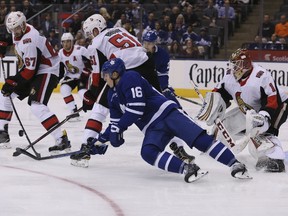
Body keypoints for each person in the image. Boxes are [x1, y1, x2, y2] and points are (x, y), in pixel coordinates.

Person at [77, 58, 251, 182]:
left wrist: (118, 128)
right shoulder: (111, 95)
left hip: (167, 114)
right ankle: (187, 168)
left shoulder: (130, 78)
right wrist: (101, 141)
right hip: (153, 128)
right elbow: (114, 124)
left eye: (106, 75)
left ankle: (235, 164)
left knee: (200, 140)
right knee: (148, 152)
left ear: (115, 74)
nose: (104, 78)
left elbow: (136, 108)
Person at [70, 13, 161, 161]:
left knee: (100, 108)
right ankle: (178, 144)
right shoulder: (120, 30)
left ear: (95, 30)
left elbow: (98, 75)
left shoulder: (96, 44)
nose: (90, 37)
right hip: (147, 65)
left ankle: (85, 147)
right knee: (160, 107)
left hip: (127, 71)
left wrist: (91, 96)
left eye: (89, 34)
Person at [197, 48, 287, 172]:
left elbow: (272, 100)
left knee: (261, 131)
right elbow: (219, 95)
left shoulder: (260, 75)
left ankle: (274, 158)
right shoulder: (229, 76)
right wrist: (211, 106)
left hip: (278, 106)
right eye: (233, 65)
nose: (233, 68)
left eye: (237, 65)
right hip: (250, 109)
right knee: (226, 123)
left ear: (245, 65)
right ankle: (215, 147)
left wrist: (263, 118)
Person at [0, 11, 70, 153]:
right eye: (12, 29)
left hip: (48, 70)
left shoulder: (29, 40)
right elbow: (12, 38)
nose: (15, 32)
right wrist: (4, 43)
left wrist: (13, 82)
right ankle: (2, 133)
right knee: (4, 95)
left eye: (17, 28)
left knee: (37, 105)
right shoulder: (20, 30)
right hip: (36, 70)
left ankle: (61, 139)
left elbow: (30, 71)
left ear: (24, 25)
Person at [142, 30, 181, 108]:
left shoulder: (162, 55)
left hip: (153, 83)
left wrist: (164, 87)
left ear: (154, 43)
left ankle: (179, 111)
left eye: (149, 43)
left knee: (168, 95)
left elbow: (163, 74)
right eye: (145, 43)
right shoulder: (138, 53)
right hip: (141, 83)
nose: (146, 46)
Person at [58, 32, 91, 120]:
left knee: (82, 93)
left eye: (68, 41)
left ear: (72, 42)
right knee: (64, 89)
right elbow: (60, 69)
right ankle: (73, 111)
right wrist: (57, 78)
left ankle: (96, 111)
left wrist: (86, 72)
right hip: (71, 76)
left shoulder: (81, 50)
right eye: (63, 42)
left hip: (83, 75)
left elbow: (91, 63)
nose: (65, 44)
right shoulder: (60, 53)